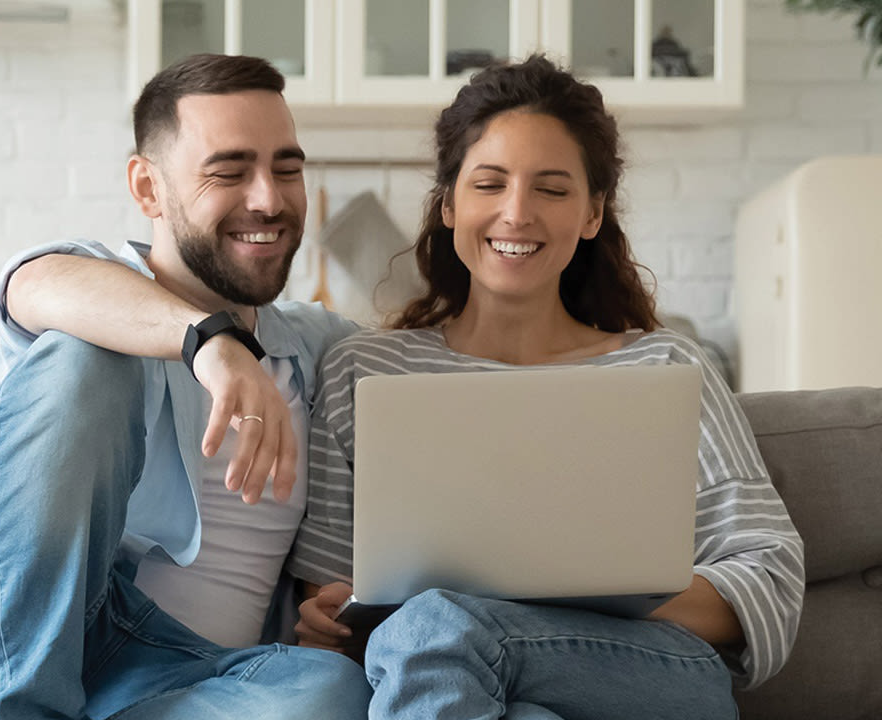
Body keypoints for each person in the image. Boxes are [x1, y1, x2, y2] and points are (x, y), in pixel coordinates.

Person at [0, 54, 370, 720]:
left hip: (156, 677)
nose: (268, 198)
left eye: (288, 169)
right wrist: (208, 340)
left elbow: (430, 364)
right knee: (91, 356)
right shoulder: (90, 284)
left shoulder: (317, 347)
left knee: (331, 691)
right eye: (229, 172)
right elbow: (37, 285)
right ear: (148, 190)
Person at [287, 55, 805, 720]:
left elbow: (769, 578)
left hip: (640, 674)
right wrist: (327, 618)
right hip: (441, 675)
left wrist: (553, 596)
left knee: (434, 627)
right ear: (449, 205)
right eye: (489, 183)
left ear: (592, 213)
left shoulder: (669, 367)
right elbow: (332, 597)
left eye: (552, 190)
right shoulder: (363, 372)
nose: (516, 212)